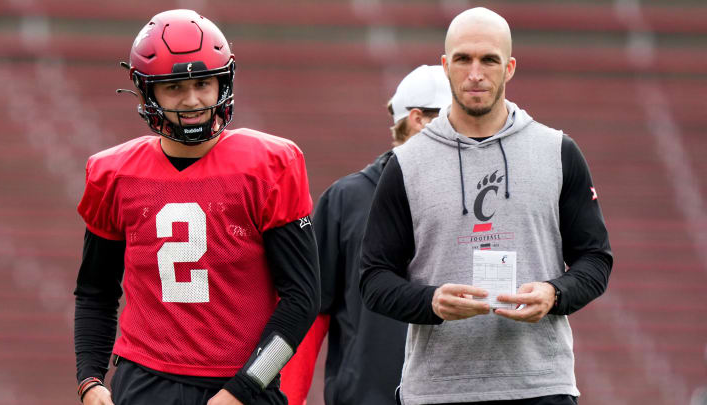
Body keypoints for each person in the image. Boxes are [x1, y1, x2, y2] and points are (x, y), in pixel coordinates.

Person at [360, 7, 613, 405]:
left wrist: (554, 294)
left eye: (488, 60)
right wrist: (430, 302)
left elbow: (596, 260)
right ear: (446, 65)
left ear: (509, 67)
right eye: (463, 59)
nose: (475, 73)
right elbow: (373, 279)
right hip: (437, 391)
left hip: (540, 387)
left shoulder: (558, 152)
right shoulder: (406, 164)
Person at [73, 9, 319, 405]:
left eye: (203, 83)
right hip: (143, 382)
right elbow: (95, 291)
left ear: (223, 81)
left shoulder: (271, 164)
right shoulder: (113, 173)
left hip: (242, 383)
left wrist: (245, 388)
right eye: (174, 87)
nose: (193, 100)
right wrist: (90, 379)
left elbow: (303, 298)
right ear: (146, 91)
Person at [282, 65, 451, 405]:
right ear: (419, 119)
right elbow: (311, 311)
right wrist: (289, 398)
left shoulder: (480, 200)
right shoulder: (347, 199)